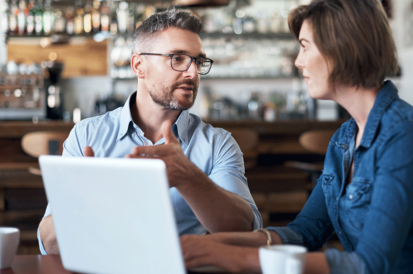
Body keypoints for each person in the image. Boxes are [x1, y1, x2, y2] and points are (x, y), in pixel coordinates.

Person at [180, 0, 413, 273]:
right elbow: (307, 232)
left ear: (341, 47)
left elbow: (371, 264)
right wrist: (220, 242)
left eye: (304, 46)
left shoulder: (402, 135)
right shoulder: (344, 138)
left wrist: (236, 258)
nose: (297, 61)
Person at [38, 9, 262, 255]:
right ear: (138, 65)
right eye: (177, 58)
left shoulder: (217, 143)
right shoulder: (86, 136)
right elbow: (49, 243)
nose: (193, 73)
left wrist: (188, 177)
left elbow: (246, 231)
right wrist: (90, 203)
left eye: (198, 61)